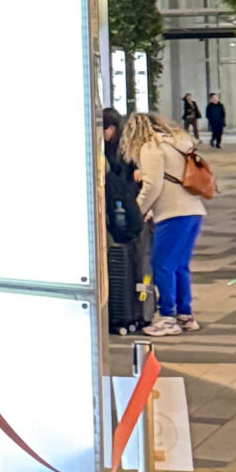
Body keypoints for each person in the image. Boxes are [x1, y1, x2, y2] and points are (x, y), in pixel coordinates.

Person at [121, 111, 206, 334]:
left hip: (172, 213)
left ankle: (167, 318)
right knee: (180, 265)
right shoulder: (178, 141)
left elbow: (152, 186)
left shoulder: (151, 147)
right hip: (193, 210)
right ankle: (185, 315)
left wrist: (137, 211)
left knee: (163, 264)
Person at [103, 105, 150, 333]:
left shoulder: (122, 151)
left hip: (127, 210)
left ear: (112, 128)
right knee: (128, 259)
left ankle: (136, 310)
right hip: (122, 209)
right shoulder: (108, 149)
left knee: (136, 260)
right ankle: (130, 311)